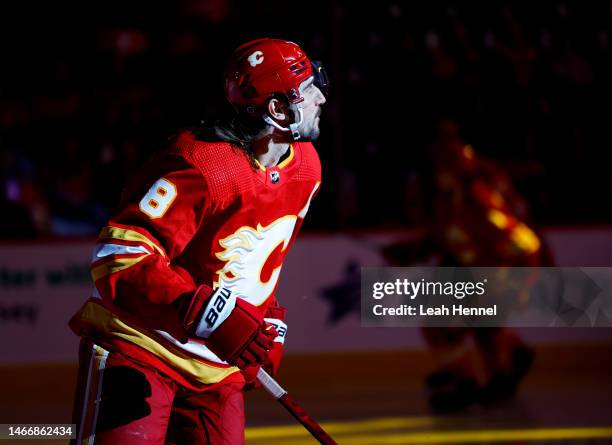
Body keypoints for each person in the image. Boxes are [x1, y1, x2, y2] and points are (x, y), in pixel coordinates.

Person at [68, 38, 328, 444]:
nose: (321, 99)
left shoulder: (307, 169)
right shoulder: (201, 162)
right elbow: (119, 255)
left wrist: (267, 317)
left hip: (215, 373)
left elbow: (259, 260)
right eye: (309, 90)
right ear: (277, 110)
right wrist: (205, 311)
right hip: (141, 349)